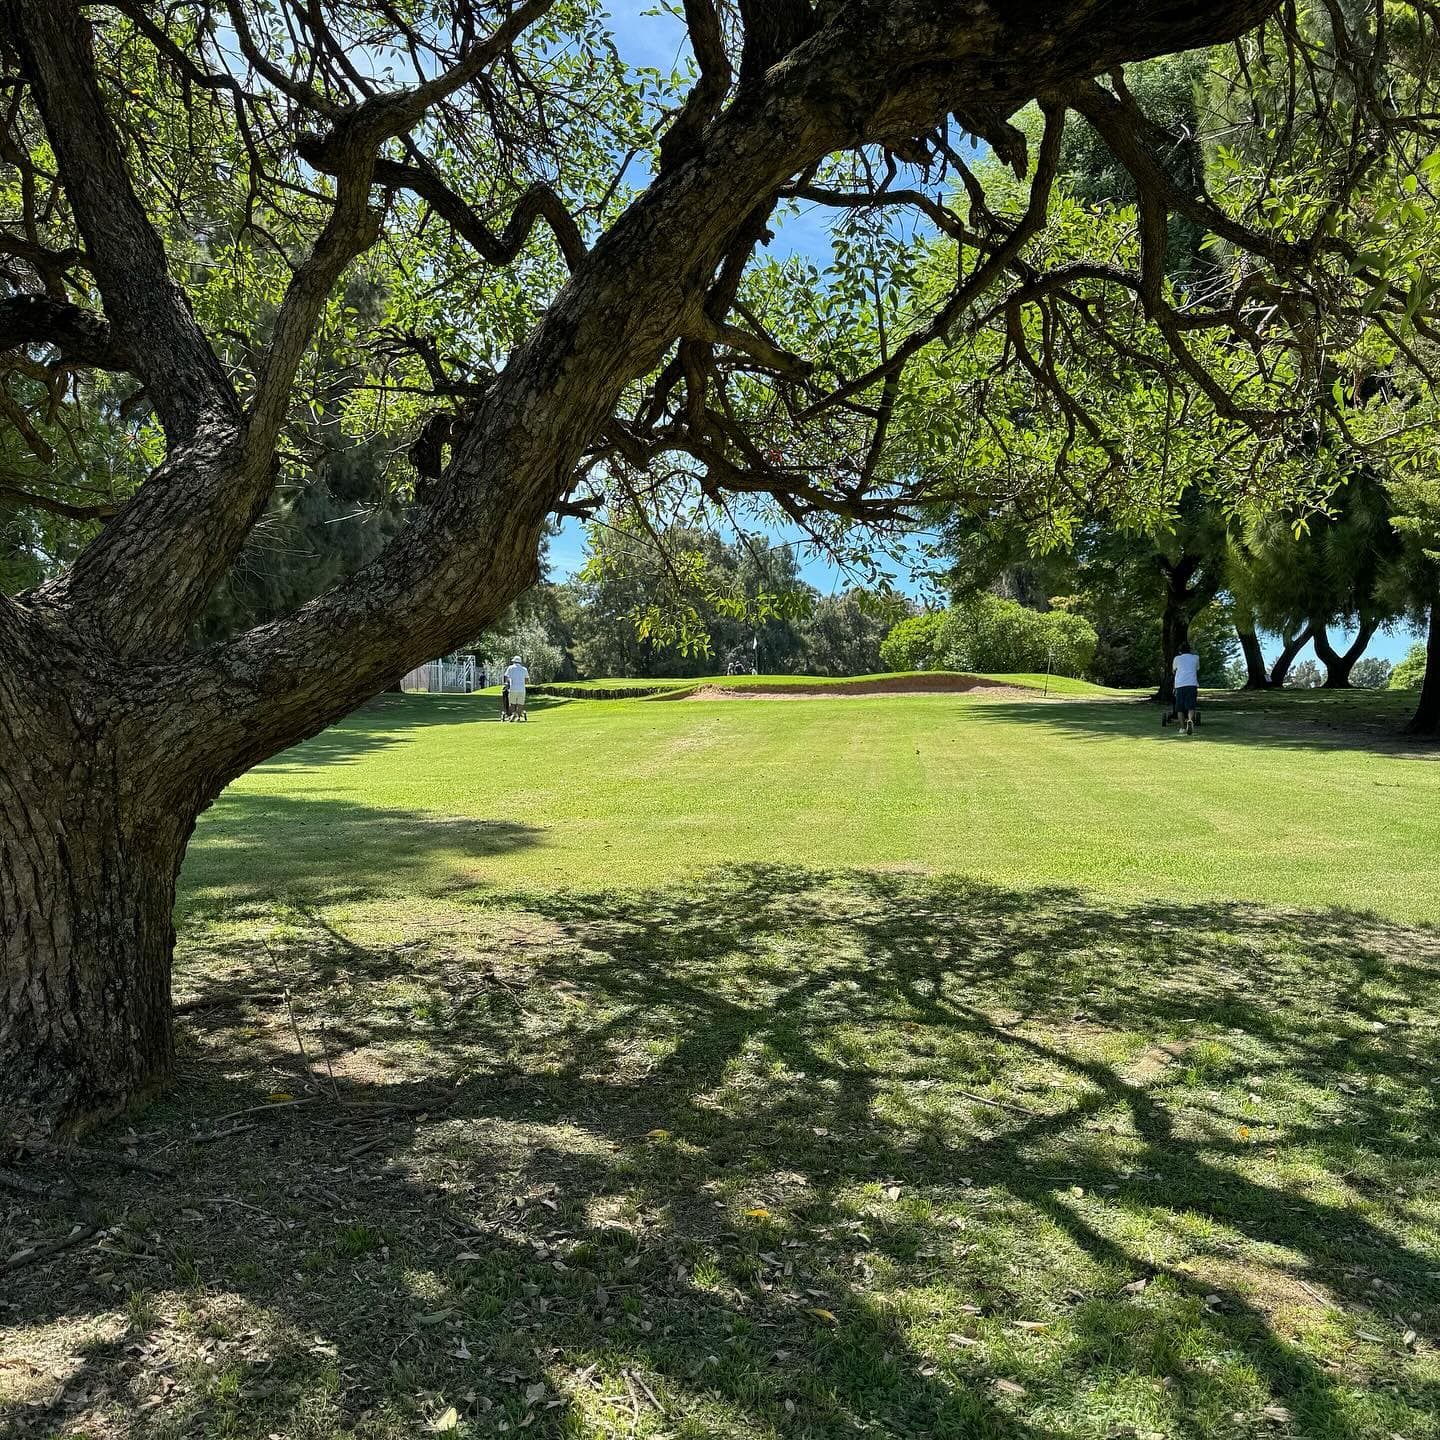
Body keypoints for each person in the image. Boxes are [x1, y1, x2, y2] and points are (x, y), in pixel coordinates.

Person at [1172, 641, 1200, 735]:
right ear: (1190, 650)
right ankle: (1190, 721)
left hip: (1180, 684)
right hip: (1192, 683)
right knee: (1191, 706)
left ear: (1180, 651)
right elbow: (1197, 668)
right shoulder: (1196, 657)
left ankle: (1182, 727)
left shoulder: (1177, 658)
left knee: (1179, 708)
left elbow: (1174, 670)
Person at [503, 654, 529, 722]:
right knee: (520, 703)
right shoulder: (524, 669)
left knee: (512, 703)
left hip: (513, 688)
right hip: (522, 689)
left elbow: (506, 676)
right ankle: (518, 717)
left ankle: (513, 714)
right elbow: (526, 680)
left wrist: (506, 683)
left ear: (514, 661)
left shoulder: (510, 668)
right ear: (520, 662)